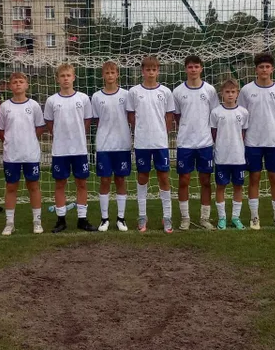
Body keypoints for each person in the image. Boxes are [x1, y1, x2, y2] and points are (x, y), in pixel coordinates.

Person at [239, 52, 275, 230]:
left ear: (272, 69)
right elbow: (242, 116)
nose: (264, 70)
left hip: (273, 142)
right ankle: (254, 217)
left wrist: (272, 128)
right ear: (256, 69)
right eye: (261, 67)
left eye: (267, 67)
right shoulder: (246, 90)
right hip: (253, 142)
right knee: (254, 178)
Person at [43, 63, 96, 233]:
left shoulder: (83, 98)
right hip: (60, 150)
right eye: (62, 76)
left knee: (82, 183)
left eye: (68, 75)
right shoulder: (52, 100)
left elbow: (87, 120)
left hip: (79, 149)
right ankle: (61, 220)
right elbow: (49, 123)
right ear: (57, 79)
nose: (65, 79)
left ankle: (82, 219)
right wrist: (59, 135)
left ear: (74, 77)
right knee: (60, 184)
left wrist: (78, 134)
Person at [127, 55, 176, 233]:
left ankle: (167, 216)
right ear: (142, 71)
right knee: (142, 177)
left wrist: (162, 132)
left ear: (158, 71)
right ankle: (142, 215)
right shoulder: (134, 92)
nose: (151, 72)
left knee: (164, 177)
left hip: (160, 143)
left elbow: (169, 116)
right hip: (142, 143)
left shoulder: (166, 92)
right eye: (148, 69)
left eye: (154, 69)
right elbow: (131, 116)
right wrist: (141, 130)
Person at [0, 72, 45, 235]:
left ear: (26, 85)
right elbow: (0, 130)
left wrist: (29, 140)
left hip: (30, 154)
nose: (18, 84)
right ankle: (10, 223)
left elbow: (40, 127)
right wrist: (11, 141)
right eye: (15, 82)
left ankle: (37, 221)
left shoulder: (34, 105)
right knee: (11, 186)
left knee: (33, 185)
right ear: (10, 86)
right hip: (11, 155)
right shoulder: (5, 107)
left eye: (21, 81)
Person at [173, 54, 219, 230]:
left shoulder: (210, 90)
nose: (193, 70)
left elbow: (214, 116)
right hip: (185, 143)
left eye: (196, 66)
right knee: (184, 180)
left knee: (206, 180)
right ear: (186, 69)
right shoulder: (178, 91)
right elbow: (177, 117)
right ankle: (185, 218)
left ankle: (204, 218)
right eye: (190, 67)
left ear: (201, 68)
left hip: (205, 143)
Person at [91, 60, 131, 232]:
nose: (110, 75)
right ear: (103, 75)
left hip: (122, 144)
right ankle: (104, 219)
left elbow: (130, 117)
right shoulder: (96, 97)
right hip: (104, 144)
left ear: (117, 74)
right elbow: (97, 120)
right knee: (105, 180)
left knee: (120, 179)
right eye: (107, 73)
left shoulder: (126, 95)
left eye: (112, 72)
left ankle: (121, 218)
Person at [210, 78, 249, 230]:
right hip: (222, 157)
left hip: (238, 157)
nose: (230, 95)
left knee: (238, 187)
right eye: (227, 92)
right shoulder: (216, 112)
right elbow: (214, 133)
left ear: (237, 93)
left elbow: (243, 133)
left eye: (233, 92)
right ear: (222, 93)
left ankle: (235, 217)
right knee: (221, 186)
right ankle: (222, 218)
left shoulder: (243, 112)